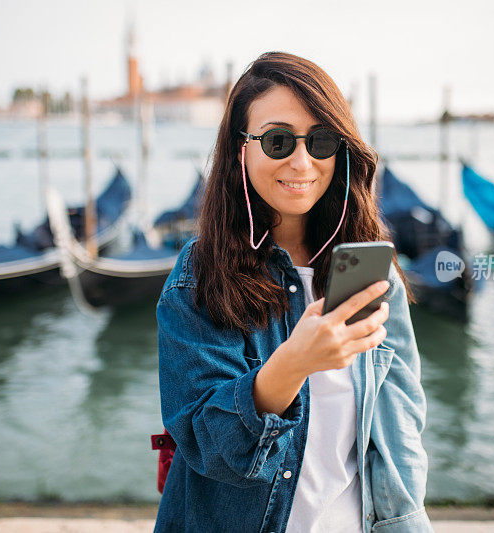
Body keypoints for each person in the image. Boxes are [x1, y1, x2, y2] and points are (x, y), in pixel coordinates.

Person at [154, 51, 432, 533]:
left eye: (321, 141)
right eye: (278, 141)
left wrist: (407, 523)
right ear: (241, 149)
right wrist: (294, 363)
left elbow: (401, 429)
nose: (303, 162)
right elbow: (205, 442)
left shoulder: (369, 269)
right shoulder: (200, 274)